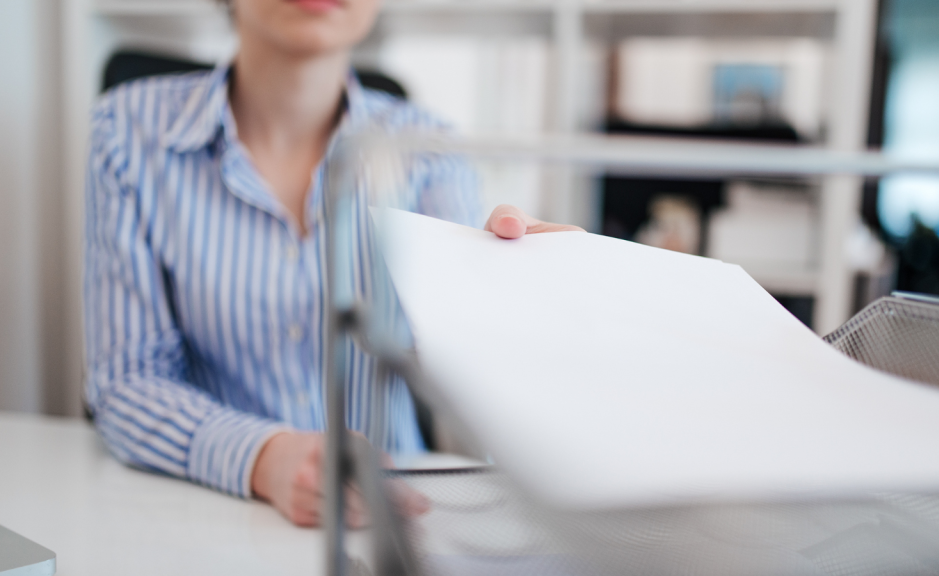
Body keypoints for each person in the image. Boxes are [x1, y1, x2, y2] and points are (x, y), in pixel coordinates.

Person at [83, 0, 581, 528]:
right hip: (208, 514)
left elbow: (466, 367)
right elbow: (125, 381)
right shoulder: (124, 132)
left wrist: (527, 303)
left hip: (394, 518)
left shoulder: (430, 150)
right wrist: (264, 457)